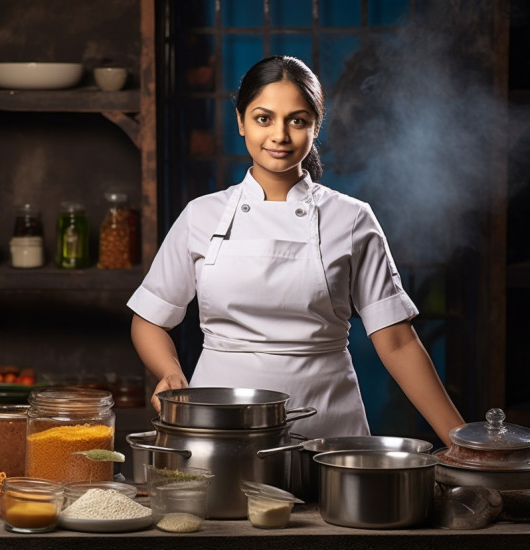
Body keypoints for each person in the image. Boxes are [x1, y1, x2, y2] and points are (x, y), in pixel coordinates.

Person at [126, 55, 464, 445]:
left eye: (297, 120)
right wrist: (168, 372)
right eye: (263, 118)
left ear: (316, 126)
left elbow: (398, 341)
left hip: (328, 433)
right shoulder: (201, 216)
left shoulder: (352, 218)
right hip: (218, 430)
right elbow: (149, 318)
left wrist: (461, 441)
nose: (280, 135)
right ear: (240, 121)